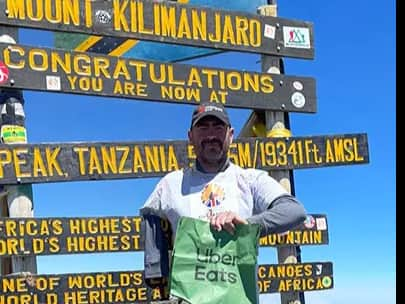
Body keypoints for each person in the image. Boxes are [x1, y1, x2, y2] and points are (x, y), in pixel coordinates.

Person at [140, 102, 307, 297]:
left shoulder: (250, 179)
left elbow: (294, 211)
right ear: (190, 137)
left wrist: (247, 226)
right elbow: (149, 214)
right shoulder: (170, 184)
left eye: (218, 127)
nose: (211, 135)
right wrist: (155, 274)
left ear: (230, 134)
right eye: (203, 127)